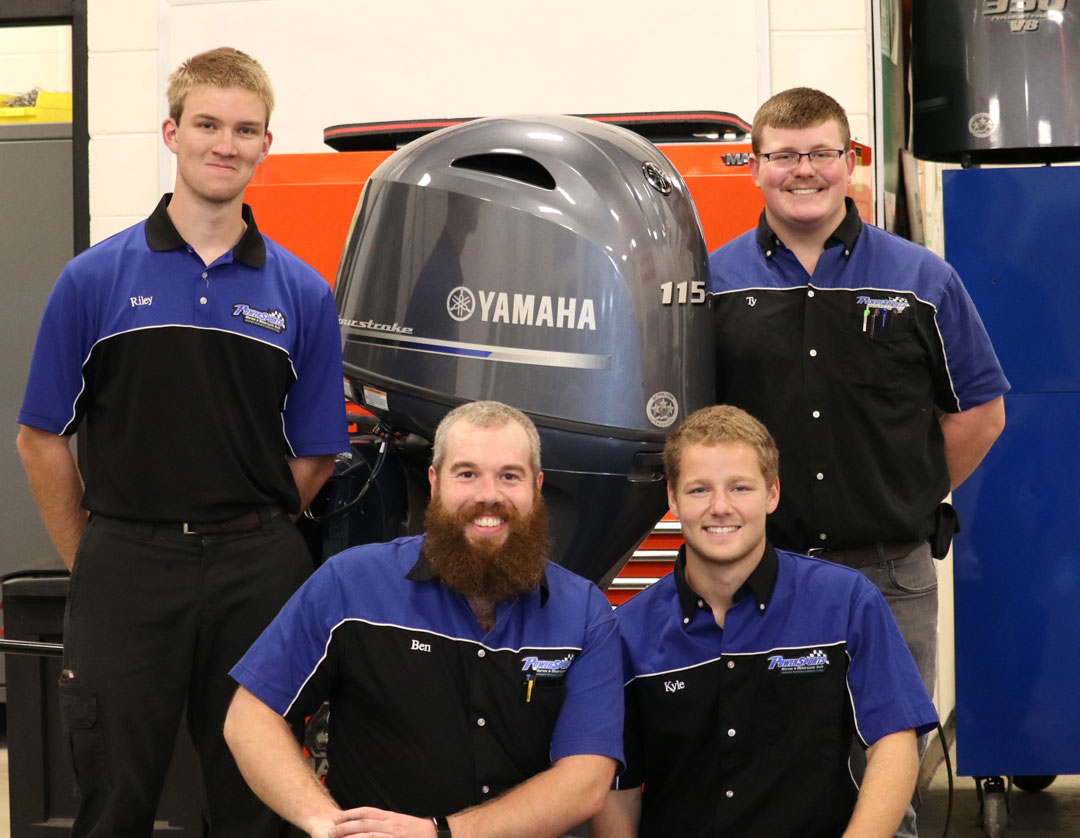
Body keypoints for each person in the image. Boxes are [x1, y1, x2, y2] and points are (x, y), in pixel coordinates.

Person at [16, 47, 348, 837]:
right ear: (172, 132)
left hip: (257, 574)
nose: (224, 143)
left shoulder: (303, 292)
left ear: (267, 143)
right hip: (127, 566)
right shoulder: (93, 280)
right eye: (207, 123)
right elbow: (39, 438)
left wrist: (249, 528)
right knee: (113, 799)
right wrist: (94, 554)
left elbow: (315, 453)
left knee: (254, 804)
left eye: (245, 128)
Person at [706, 88, 1009, 836]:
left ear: (850, 163)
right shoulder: (712, 284)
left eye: (820, 154)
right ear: (757, 166)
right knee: (761, 768)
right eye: (783, 155)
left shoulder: (921, 280)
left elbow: (980, 412)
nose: (802, 171)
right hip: (754, 573)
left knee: (885, 767)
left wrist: (905, 490)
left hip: (889, 573)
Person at [224, 400, 623, 838]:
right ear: (434, 482)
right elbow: (250, 717)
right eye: (466, 474)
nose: (488, 495)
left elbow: (586, 781)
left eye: (509, 476)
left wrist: (442, 834)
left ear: (537, 487)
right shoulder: (350, 584)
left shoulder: (584, 612)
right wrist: (325, 823)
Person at [590, 405, 939, 838]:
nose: (720, 507)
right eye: (699, 490)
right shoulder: (627, 631)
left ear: (772, 494)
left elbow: (894, 742)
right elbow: (617, 787)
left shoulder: (845, 602)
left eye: (740, 487)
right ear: (673, 499)